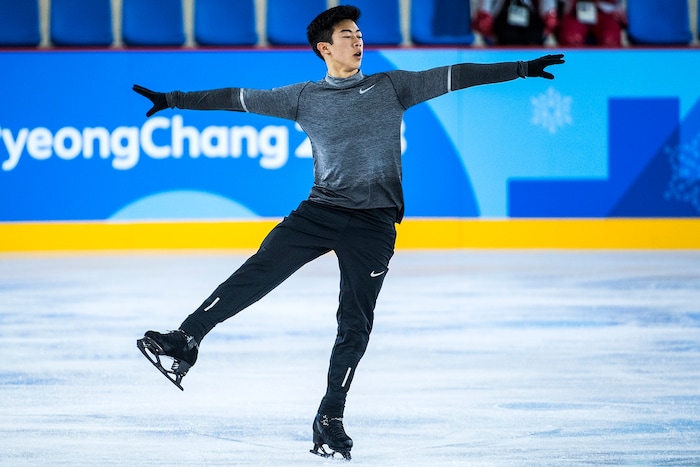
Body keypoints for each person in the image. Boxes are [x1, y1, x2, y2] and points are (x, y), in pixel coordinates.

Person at [133, 5, 564, 461]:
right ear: (324, 48)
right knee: (257, 272)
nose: (358, 40)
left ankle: (330, 417)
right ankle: (188, 338)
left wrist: (520, 68)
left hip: (374, 224)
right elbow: (238, 98)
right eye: (347, 35)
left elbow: (454, 74)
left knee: (354, 323)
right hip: (320, 211)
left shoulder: (391, 86)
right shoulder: (302, 97)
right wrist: (175, 98)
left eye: (359, 34)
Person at [473, 0, 559, 45]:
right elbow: (485, 9)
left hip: (532, 20)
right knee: (507, 35)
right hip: (504, 19)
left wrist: (549, 19)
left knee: (533, 36)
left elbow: (549, 11)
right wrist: (486, 23)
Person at [556, 0, 626, 46]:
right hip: (573, 12)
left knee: (610, 39)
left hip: (606, 11)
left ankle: (610, 67)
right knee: (571, 39)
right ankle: (573, 67)